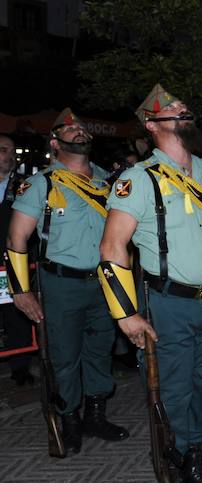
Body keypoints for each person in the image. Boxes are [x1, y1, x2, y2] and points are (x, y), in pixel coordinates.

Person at [98, 84, 202, 483]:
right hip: (168, 303)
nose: (183, 111)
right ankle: (170, 470)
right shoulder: (137, 180)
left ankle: (195, 462)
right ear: (151, 124)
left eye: (184, 107)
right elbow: (111, 249)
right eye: (172, 109)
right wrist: (125, 314)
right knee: (172, 391)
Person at [5, 110, 129, 455]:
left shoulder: (110, 182)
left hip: (106, 282)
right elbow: (16, 239)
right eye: (69, 129)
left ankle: (95, 415)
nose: (79, 131)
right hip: (61, 284)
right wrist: (21, 291)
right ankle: (69, 419)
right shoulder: (42, 183)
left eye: (82, 127)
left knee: (100, 349)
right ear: (55, 142)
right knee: (63, 356)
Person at [0, 134, 35, 385]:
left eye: (12, 150)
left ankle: (20, 366)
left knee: (16, 311)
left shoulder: (25, 185)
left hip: (13, 261)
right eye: (3, 149)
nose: (10, 155)